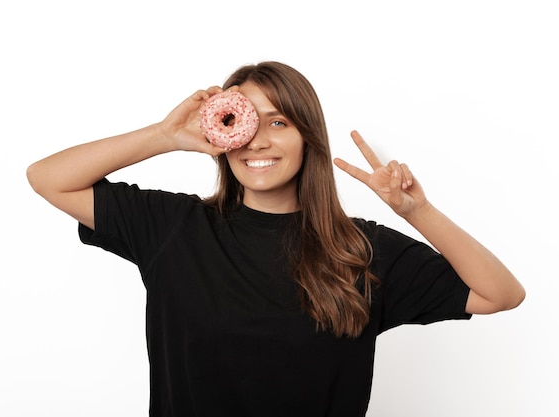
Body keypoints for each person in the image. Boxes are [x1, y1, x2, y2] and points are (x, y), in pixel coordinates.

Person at [26, 61, 525, 416]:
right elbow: (49, 177)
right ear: (222, 134)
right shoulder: (172, 227)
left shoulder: (360, 250)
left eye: (279, 122)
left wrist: (418, 211)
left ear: (308, 138)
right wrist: (163, 135)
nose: (258, 140)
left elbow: (501, 294)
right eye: (243, 122)